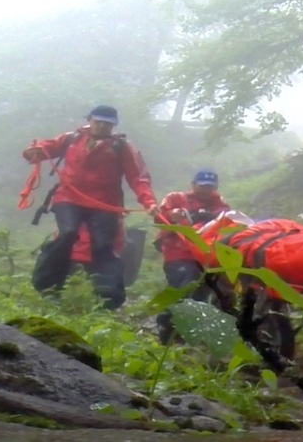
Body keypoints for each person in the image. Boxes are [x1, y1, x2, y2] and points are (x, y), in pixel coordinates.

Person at [24, 105, 159, 308]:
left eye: (108, 124)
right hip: (69, 198)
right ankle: (48, 286)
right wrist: (33, 152)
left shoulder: (121, 147)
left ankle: (108, 298)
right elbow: (45, 149)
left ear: (114, 126)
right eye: (99, 122)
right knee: (67, 233)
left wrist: (149, 201)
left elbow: (137, 177)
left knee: (103, 246)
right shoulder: (72, 139)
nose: (103, 126)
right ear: (90, 120)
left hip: (104, 203)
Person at [154, 170, 233, 342]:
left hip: (207, 256)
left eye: (210, 187)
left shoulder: (220, 206)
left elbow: (229, 223)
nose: (206, 190)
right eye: (202, 186)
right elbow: (160, 218)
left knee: (203, 293)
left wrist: (211, 217)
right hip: (179, 252)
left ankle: (191, 334)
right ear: (194, 184)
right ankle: (166, 328)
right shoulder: (176, 199)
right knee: (183, 287)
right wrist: (172, 216)